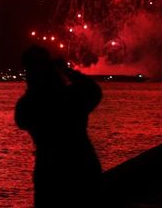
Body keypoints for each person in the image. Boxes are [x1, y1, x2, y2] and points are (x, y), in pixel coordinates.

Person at [15, 45, 102, 208]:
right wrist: (67, 71)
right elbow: (94, 90)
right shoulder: (72, 97)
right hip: (83, 170)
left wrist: (33, 88)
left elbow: (21, 119)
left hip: (50, 175)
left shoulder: (29, 104)